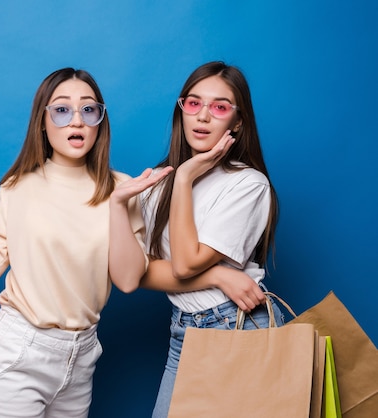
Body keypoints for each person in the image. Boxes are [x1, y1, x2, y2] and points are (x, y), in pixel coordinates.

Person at [0, 67, 171, 418]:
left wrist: (116, 204)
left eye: (88, 109)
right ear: (43, 120)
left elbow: (128, 280)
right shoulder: (18, 187)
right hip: (18, 351)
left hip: (81, 359)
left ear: (100, 120)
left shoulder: (123, 188)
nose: (77, 121)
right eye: (62, 110)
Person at [119, 61, 285, 418]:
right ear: (181, 111)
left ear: (237, 122)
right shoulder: (154, 187)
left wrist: (184, 178)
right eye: (193, 104)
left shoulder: (248, 184)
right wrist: (217, 275)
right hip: (185, 331)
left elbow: (184, 263)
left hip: (238, 326)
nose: (203, 116)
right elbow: (136, 273)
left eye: (220, 107)